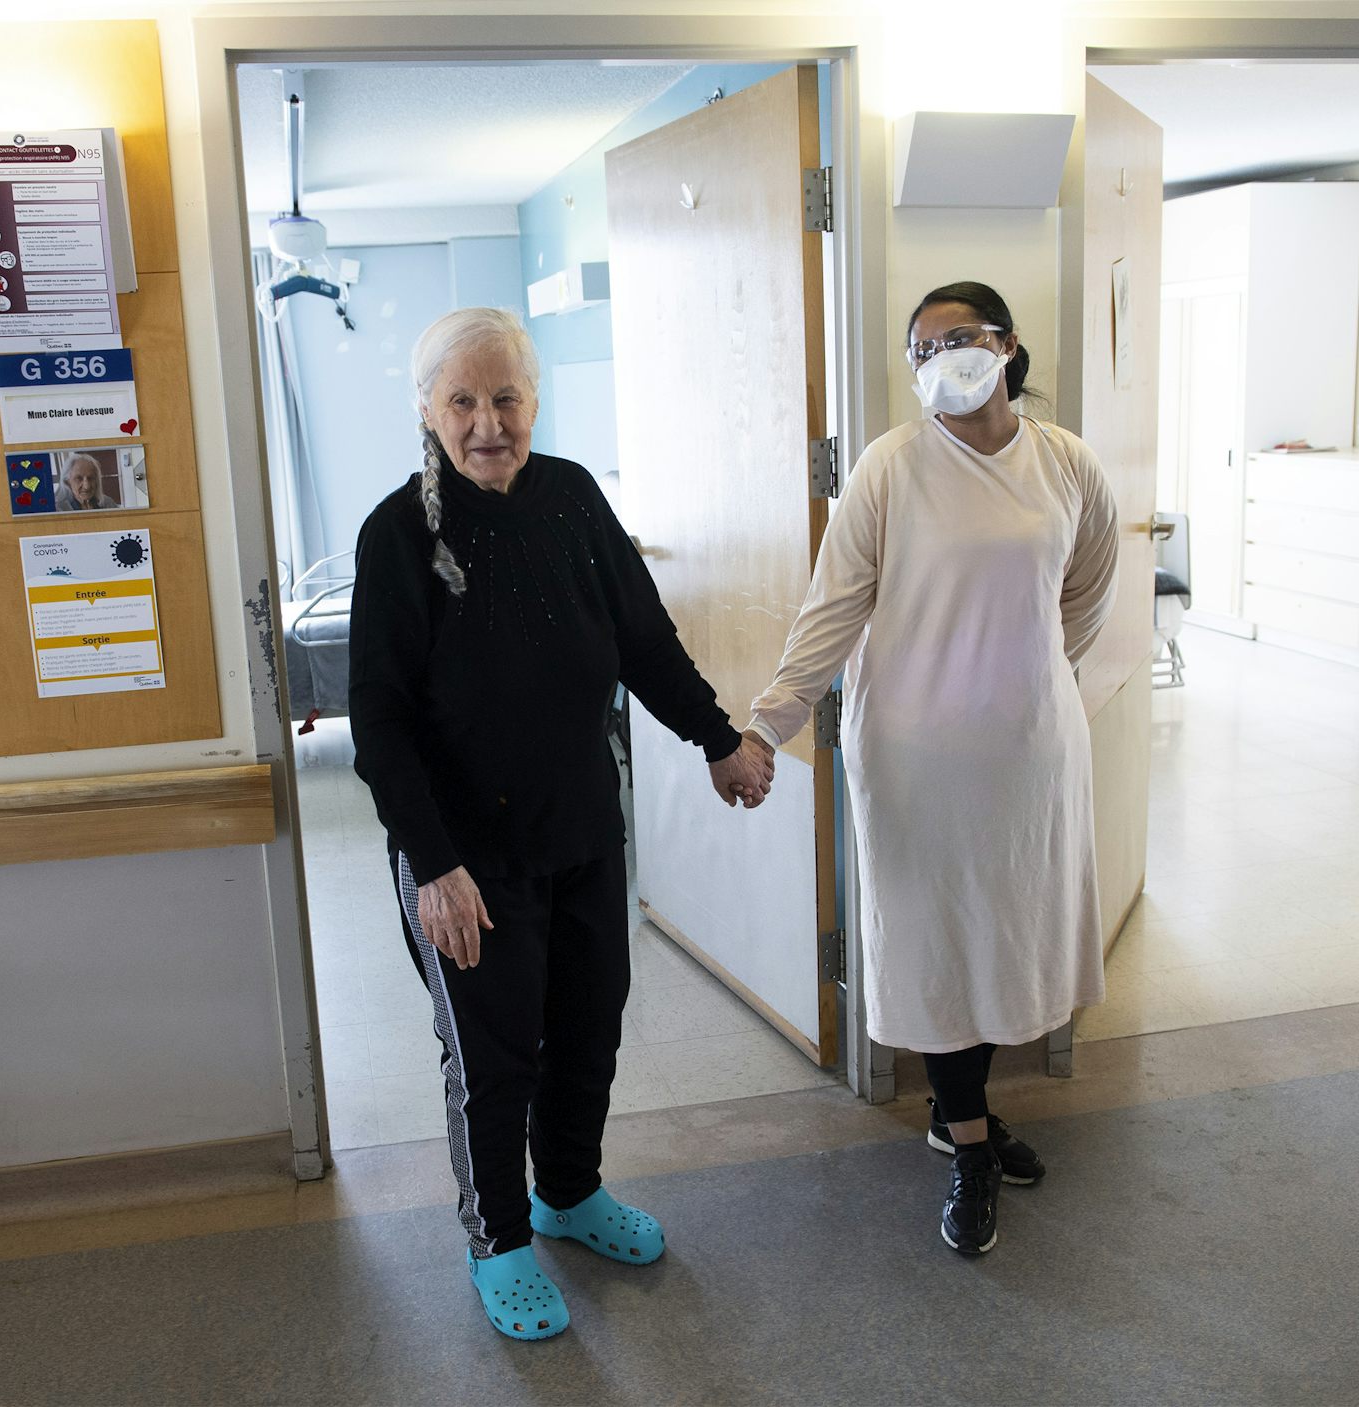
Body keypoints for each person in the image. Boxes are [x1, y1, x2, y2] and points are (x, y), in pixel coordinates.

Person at [347, 306, 775, 1341]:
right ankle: (498, 1238)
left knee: (587, 1029)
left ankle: (568, 1194)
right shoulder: (399, 533)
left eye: (506, 398)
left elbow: (643, 638)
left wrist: (717, 738)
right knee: (495, 1061)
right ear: (426, 410)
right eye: (463, 401)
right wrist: (434, 866)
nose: (487, 422)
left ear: (533, 402)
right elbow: (379, 723)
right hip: (465, 858)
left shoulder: (574, 497)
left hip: (583, 827)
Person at [746, 281, 1119, 1256]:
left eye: (959, 338)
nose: (940, 358)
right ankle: (968, 1146)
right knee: (937, 940)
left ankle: (963, 1113)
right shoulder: (889, 470)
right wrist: (767, 724)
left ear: (1005, 346)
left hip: (1028, 755)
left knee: (1004, 939)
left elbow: (1084, 590)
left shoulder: (1067, 463)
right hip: (913, 756)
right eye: (921, 349)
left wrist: (1025, 675)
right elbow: (830, 611)